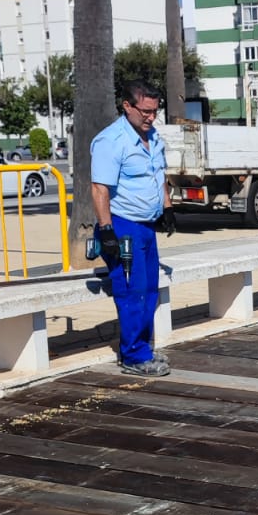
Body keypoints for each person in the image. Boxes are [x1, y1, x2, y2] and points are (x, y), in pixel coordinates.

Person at [90, 79, 177, 379]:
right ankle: (133, 355)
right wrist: (106, 231)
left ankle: (143, 347)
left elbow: (159, 174)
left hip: (146, 227)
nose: (151, 117)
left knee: (149, 290)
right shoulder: (111, 141)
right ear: (126, 106)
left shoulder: (153, 137)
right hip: (122, 225)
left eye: (155, 111)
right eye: (145, 112)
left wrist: (167, 208)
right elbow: (100, 188)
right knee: (132, 291)